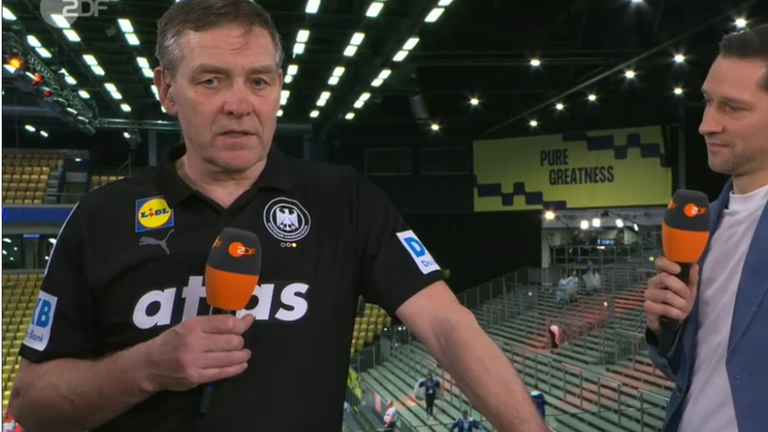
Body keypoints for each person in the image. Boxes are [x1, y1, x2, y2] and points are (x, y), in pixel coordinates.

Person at [8, 2, 547, 432]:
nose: (239, 103)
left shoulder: (345, 200)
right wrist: (145, 368)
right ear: (166, 90)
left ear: (279, 89)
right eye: (211, 80)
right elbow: (32, 404)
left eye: (259, 81)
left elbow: (448, 326)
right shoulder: (101, 217)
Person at [644, 24, 768, 432]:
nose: (706, 125)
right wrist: (666, 327)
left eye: (733, 108)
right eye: (708, 102)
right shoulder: (704, 223)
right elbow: (695, 371)